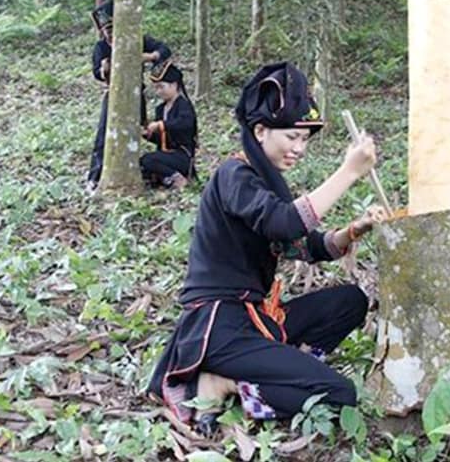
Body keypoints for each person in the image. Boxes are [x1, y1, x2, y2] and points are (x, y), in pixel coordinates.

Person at [149, 62, 386, 434]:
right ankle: (224, 382)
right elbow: (285, 223)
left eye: (305, 140)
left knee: (351, 300)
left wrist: (354, 230)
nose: (299, 149)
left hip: (258, 318)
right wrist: (349, 172)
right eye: (292, 137)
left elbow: (305, 245)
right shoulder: (234, 175)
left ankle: (282, 368)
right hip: (222, 328)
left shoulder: (264, 181)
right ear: (260, 131)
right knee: (340, 393)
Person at [86, 0, 171, 191]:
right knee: (103, 135)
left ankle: (152, 171)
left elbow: (165, 50)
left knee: (139, 133)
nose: (110, 34)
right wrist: (103, 70)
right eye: (106, 30)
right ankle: (95, 177)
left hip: (135, 94)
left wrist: (149, 56)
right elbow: (96, 73)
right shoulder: (101, 47)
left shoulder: (136, 40)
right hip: (112, 95)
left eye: (112, 29)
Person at [140, 60, 198, 190]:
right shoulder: (160, 109)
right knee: (141, 164)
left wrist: (161, 124)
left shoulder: (184, 105)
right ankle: (165, 180)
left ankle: (178, 179)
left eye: (161, 87)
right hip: (165, 155)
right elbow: (161, 138)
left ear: (174, 85)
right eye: (156, 88)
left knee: (148, 160)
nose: (159, 91)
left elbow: (185, 124)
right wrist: (147, 134)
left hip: (182, 155)